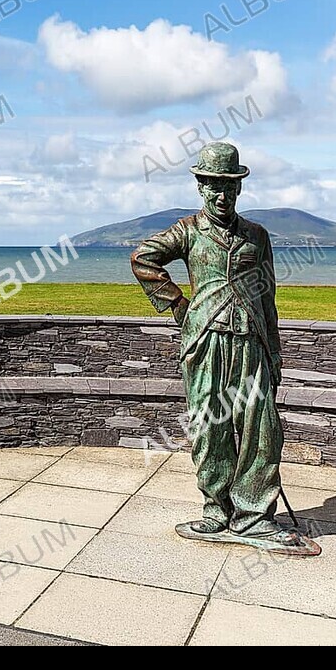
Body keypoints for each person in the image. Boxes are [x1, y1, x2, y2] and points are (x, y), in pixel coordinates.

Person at [131, 141, 313, 551]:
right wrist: (179, 304)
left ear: (238, 190)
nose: (220, 194)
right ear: (200, 186)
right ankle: (216, 508)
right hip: (206, 341)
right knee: (209, 425)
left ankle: (253, 515)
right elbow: (144, 259)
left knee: (260, 427)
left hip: (252, 341)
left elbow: (267, 295)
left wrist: (275, 349)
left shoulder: (256, 236)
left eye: (228, 186)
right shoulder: (188, 232)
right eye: (213, 185)